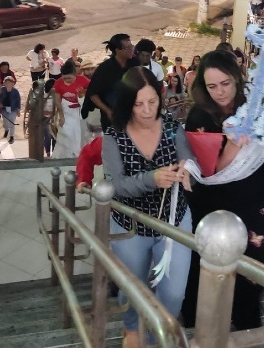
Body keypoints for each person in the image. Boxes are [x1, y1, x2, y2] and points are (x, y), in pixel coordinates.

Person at [181, 50, 264, 330]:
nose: (219, 92)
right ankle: (201, 324)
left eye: (225, 83)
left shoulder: (255, 104)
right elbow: (211, 170)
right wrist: (234, 144)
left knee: (257, 260)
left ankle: (247, 323)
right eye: (211, 86)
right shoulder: (199, 115)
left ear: (237, 79)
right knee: (208, 261)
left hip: (256, 194)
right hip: (217, 201)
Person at [96, 67, 193, 348]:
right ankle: (132, 328)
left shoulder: (173, 126)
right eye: (139, 104)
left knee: (174, 292)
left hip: (172, 220)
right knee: (132, 289)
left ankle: (154, 337)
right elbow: (116, 185)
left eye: (152, 102)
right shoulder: (114, 136)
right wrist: (151, 179)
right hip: (130, 224)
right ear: (127, 103)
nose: (147, 110)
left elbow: (188, 157)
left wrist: (188, 170)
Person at [83, 33, 138, 131]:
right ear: (117, 50)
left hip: (133, 115)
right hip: (111, 118)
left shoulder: (135, 63)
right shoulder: (104, 69)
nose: (131, 49)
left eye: (131, 46)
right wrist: (108, 111)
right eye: (127, 47)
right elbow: (93, 94)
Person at [52, 60, 90, 158]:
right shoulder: (58, 83)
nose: (67, 80)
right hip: (66, 110)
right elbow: (57, 101)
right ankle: (65, 155)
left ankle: (79, 154)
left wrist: (83, 95)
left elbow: (91, 93)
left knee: (79, 134)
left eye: (69, 78)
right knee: (66, 132)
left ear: (74, 74)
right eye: (64, 78)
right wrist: (61, 116)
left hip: (80, 110)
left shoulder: (83, 80)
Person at [0, 76, 21, 144]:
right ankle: (6, 130)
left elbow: (18, 101)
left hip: (13, 109)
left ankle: (11, 136)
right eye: (6, 82)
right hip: (4, 109)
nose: (7, 84)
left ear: (12, 83)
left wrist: (18, 110)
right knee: (5, 122)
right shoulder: (2, 90)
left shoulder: (15, 91)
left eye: (9, 82)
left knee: (12, 123)